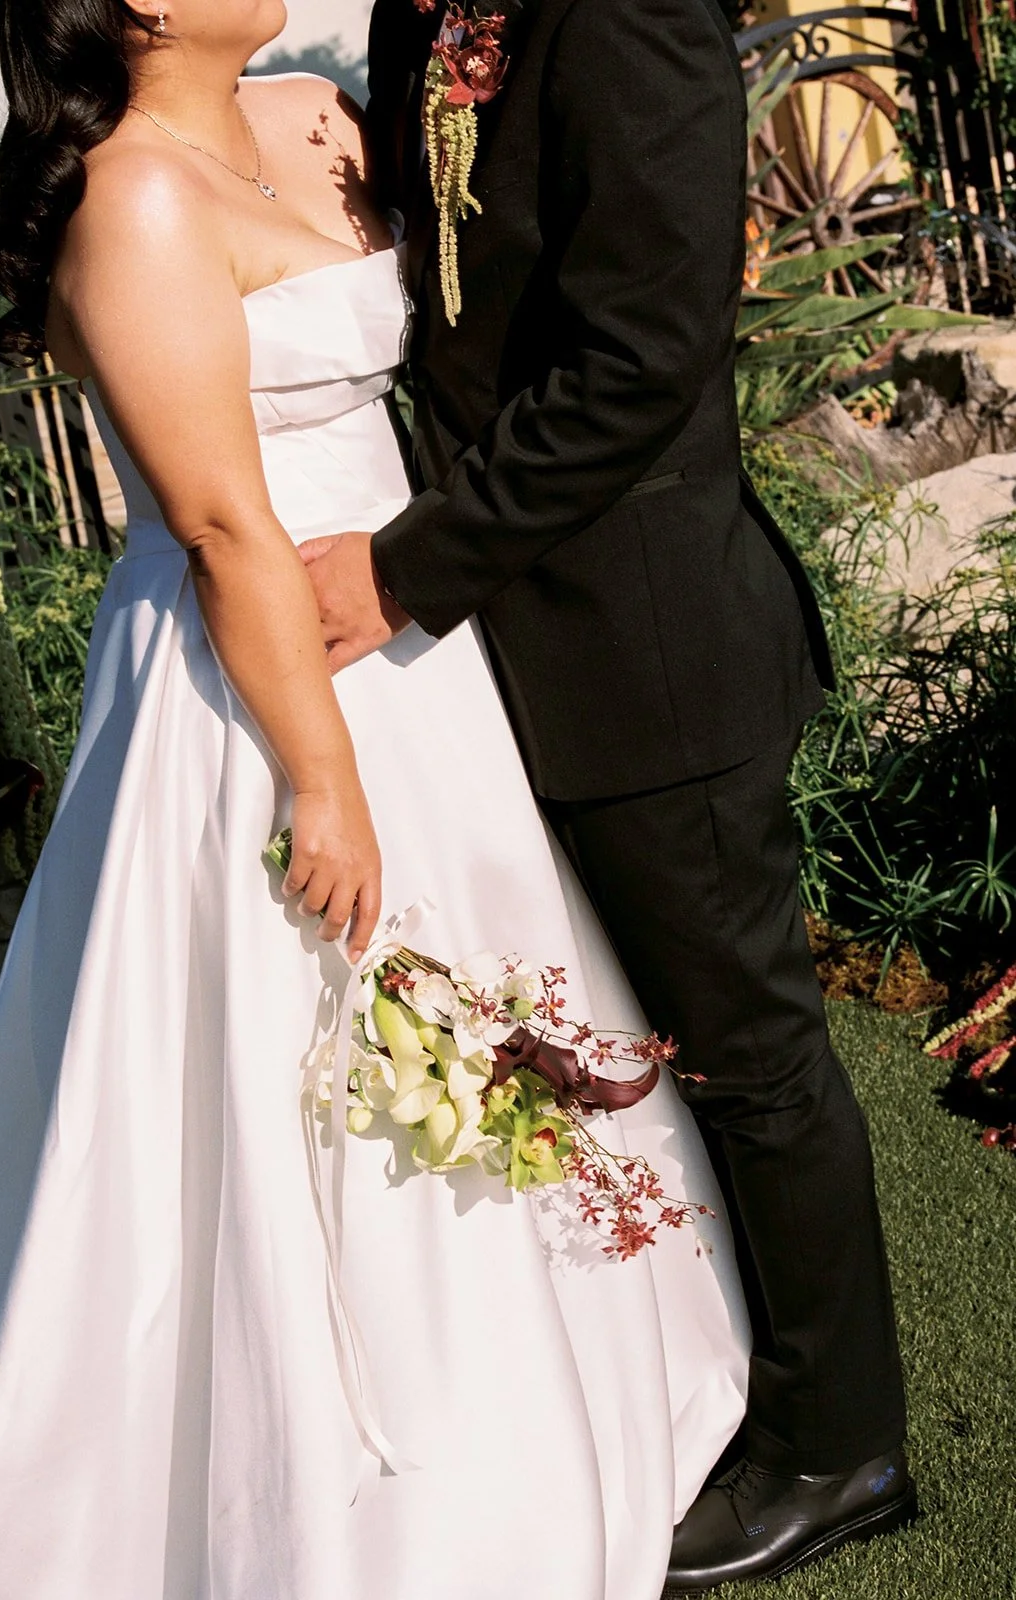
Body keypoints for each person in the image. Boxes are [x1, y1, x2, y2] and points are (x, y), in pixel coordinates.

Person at [0, 3, 752, 1598]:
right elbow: (216, 522)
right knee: (282, 1043)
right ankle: (314, 1436)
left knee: (478, 980)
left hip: (404, 644)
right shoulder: (131, 197)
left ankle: (563, 1355)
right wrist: (322, 780)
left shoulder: (300, 113)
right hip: (255, 682)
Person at [298, 0, 917, 1589]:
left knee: (753, 1056)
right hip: (523, 652)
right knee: (644, 1039)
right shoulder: (423, 5)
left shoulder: (625, 10)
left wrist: (406, 562)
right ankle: (710, 1367)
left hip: (649, 647)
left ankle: (839, 1444)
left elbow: (644, 354)